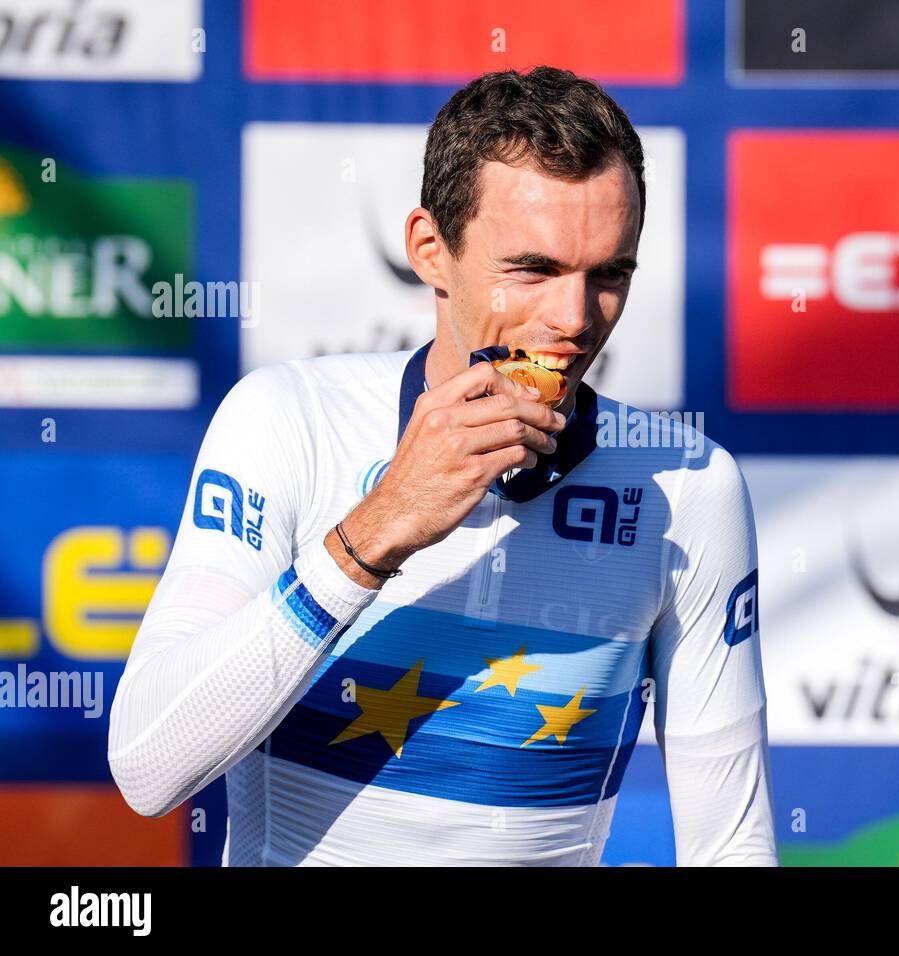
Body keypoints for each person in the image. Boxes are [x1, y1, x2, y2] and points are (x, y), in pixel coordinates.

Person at [108, 65, 776, 866]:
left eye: (609, 274)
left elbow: (731, 844)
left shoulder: (689, 483)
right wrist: (375, 532)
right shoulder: (288, 419)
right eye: (532, 269)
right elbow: (148, 768)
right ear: (430, 250)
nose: (573, 320)